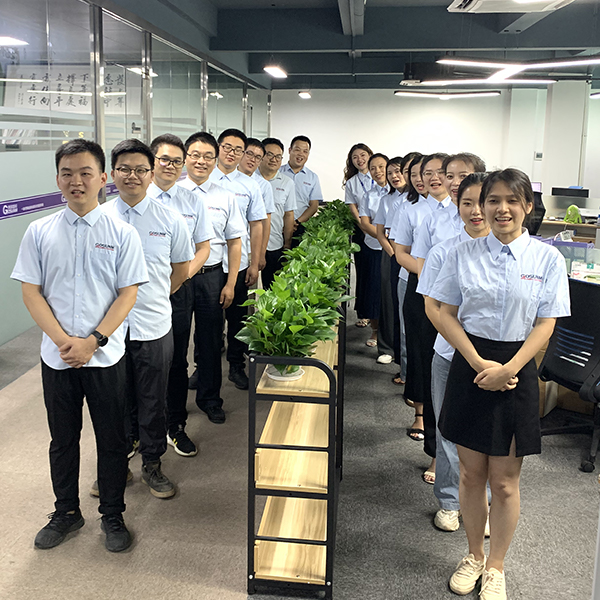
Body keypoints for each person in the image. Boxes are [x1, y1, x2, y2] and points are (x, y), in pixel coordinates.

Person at [431, 169, 570, 600]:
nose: (501, 209)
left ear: (528, 206)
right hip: (470, 365)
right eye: (493, 200)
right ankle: (474, 555)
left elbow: (545, 323)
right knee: (471, 474)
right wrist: (476, 362)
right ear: (483, 205)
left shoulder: (547, 259)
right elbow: (445, 313)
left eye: (512, 200)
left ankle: (496, 566)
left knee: (506, 481)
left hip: (517, 367)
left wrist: (509, 369)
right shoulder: (462, 254)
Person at [11, 139, 148, 552]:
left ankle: (113, 514)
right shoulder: (39, 232)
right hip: (58, 359)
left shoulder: (122, 233)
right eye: (67, 173)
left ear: (103, 178)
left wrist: (92, 341)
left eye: (86, 173)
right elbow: (31, 292)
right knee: (62, 439)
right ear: (57, 179)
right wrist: (64, 342)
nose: (77, 181)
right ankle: (66, 512)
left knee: (111, 439)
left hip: (105, 357)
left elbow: (127, 294)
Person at [102, 139, 193, 499]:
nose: (133, 176)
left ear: (151, 173)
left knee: (153, 399)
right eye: (124, 169)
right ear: (112, 174)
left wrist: (152, 297)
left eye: (141, 169)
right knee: (114, 400)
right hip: (108, 330)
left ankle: (152, 464)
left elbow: (181, 270)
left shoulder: (170, 219)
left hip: (153, 325)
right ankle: (117, 464)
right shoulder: (99, 218)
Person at [416, 173, 490, 532]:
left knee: (487, 433)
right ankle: (449, 501)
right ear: (457, 206)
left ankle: (481, 502)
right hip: (449, 355)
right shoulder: (444, 251)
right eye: (466, 203)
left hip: (496, 359)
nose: (475, 211)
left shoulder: (508, 251)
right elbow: (432, 307)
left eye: (482, 202)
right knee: (448, 430)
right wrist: (468, 350)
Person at [146, 133, 213, 459]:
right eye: (164, 159)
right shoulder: (135, 197)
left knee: (175, 360)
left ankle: (175, 425)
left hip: (177, 292)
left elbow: (203, 248)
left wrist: (179, 278)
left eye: (176, 161)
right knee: (137, 361)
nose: (170, 166)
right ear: (152, 162)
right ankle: (136, 432)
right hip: (136, 295)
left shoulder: (192, 201)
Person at [179, 132, 245, 427]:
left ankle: (210, 399)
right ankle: (174, 405)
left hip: (211, 277)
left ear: (215, 159)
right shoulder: (171, 193)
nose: (201, 161)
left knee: (209, 341)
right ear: (185, 158)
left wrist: (230, 283)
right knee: (175, 343)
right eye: (195, 155)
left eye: (208, 156)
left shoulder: (225, 196)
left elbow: (234, 242)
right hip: (177, 278)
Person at [392, 153, 450, 483]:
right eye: (426, 173)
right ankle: (430, 438)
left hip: (457, 297)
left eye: (441, 172)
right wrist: (432, 275)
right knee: (424, 359)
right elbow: (401, 252)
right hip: (422, 289)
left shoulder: (465, 212)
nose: (433, 178)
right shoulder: (415, 211)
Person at [209, 128, 267, 391]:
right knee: (208, 321)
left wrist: (254, 263)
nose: (232, 153)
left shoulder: (250, 185)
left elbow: (257, 225)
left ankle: (236, 365)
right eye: (227, 147)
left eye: (238, 150)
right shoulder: (203, 179)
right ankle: (203, 368)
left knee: (238, 318)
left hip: (239, 262)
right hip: (207, 264)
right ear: (218, 148)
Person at [413, 153, 486, 275]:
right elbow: (422, 265)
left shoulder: (491, 219)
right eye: (450, 176)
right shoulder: (432, 220)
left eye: (463, 176)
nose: (456, 183)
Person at [387, 152, 421, 386]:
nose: (417, 178)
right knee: (409, 330)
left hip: (440, 281)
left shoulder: (451, 209)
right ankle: (409, 378)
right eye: (411, 173)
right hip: (410, 275)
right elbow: (398, 247)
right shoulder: (406, 206)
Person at [373, 155, 404, 365]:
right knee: (388, 300)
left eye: (398, 171)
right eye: (390, 173)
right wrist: (394, 255)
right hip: (391, 253)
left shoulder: (417, 199)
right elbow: (380, 232)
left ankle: (404, 350)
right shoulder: (387, 199)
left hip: (411, 256)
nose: (394, 176)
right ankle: (386, 347)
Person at [256, 137, 297, 290]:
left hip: (274, 244)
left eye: (278, 156)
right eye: (269, 155)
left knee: (272, 289)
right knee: (245, 289)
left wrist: (287, 243)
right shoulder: (250, 179)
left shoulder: (287, 183)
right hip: (249, 244)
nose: (274, 159)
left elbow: (289, 215)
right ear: (261, 156)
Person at [358, 153, 389, 348]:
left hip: (396, 249)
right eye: (373, 168)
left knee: (390, 291)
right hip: (374, 247)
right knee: (374, 290)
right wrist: (383, 238)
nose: (377, 171)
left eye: (381, 167)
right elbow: (365, 222)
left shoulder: (399, 194)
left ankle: (391, 333)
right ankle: (376, 331)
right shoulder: (368, 195)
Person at [343, 143, 374, 328]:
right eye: (355, 157)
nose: (359, 160)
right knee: (363, 272)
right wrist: (363, 225)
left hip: (383, 231)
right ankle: (363, 313)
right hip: (361, 231)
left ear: (370, 155)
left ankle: (377, 314)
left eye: (363, 155)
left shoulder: (381, 177)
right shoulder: (352, 182)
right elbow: (352, 207)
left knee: (377, 274)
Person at [237, 137, 276, 279]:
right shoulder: (225, 179)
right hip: (221, 250)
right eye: (249, 154)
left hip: (249, 249)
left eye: (258, 157)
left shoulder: (263, 186)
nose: (253, 160)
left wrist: (260, 254)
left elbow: (265, 223)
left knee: (246, 287)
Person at [280, 135, 323, 247]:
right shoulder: (278, 172)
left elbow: (314, 206)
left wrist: (296, 222)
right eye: (297, 150)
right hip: (277, 226)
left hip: (300, 227)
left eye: (305, 151)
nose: (301, 154)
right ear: (290, 150)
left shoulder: (312, 177)